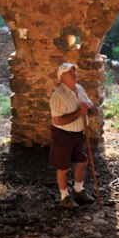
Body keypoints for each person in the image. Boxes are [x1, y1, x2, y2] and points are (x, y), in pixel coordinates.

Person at [49, 62, 96, 209]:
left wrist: (87, 107)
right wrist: (79, 112)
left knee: (82, 162)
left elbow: (89, 104)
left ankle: (78, 190)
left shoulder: (79, 88)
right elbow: (58, 121)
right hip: (63, 135)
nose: (74, 74)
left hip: (79, 133)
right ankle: (64, 197)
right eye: (70, 72)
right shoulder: (58, 95)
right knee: (63, 167)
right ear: (61, 77)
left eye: (75, 71)